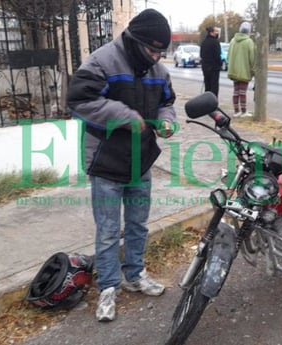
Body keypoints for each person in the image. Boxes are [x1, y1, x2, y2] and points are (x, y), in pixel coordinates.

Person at [66, 9, 177, 322]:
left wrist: (167, 122)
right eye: (152, 50)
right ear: (134, 41)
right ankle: (108, 287)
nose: (157, 57)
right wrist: (125, 116)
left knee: (139, 225)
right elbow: (78, 101)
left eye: (161, 52)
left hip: (140, 162)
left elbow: (167, 102)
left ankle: (134, 275)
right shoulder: (103, 61)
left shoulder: (157, 71)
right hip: (106, 163)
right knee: (108, 231)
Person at [227, 21, 256, 117]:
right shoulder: (249, 42)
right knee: (243, 92)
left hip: (233, 71)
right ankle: (244, 111)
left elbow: (228, 57)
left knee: (236, 91)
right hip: (244, 70)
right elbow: (252, 58)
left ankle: (236, 111)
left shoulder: (232, 41)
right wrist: (254, 71)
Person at [200, 26, 222, 97]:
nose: (217, 33)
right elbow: (217, 55)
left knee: (207, 86)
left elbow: (201, 54)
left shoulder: (204, 42)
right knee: (214, 87)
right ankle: (213, 103)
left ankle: (207, 103)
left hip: (205, 67)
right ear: (211, 32)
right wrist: (220, 64)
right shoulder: (215, 42)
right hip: (214, 68)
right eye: (216, 31)